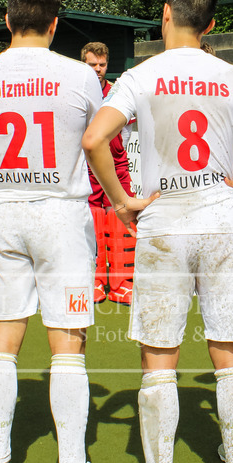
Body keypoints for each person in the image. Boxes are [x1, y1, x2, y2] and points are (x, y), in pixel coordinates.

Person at [82, 0, 233, 463]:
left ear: (165, 14)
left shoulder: (140, 75)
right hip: (220, 220)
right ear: (212, 25)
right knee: (230, 355)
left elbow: (94, 138)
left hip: (163, 223)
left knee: (159, 359)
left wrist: (121, 200)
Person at [0, 0, 116, 463]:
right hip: (62, 215)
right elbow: (98, 140)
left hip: (5, 211)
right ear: (55, 24)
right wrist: (121, 200)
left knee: (2, 340)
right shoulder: (80, 75)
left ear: (8, 20)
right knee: (68, 342)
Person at [81, 41, 135, 305]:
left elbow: (125, 132)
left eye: (102, 64)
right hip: (88, 167)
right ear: (84, 64)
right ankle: (95, 279)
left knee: (121, 218)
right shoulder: (78, 93)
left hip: (117, 166)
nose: (98, 69)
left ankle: (121, 283)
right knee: (91, 222)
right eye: (93, 64)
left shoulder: (117, 92)